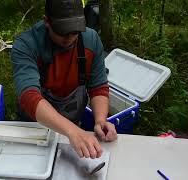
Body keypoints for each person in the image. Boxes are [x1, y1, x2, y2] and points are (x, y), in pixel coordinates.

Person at [11, 0, 117, 159]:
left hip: (73, 125)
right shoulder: (26, 45)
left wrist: (100, 120)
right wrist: (72, 131)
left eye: (74, 31)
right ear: (47, 21)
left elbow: (98, 87)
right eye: (62, 32)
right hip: (33, 128)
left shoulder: (91, 40)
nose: (69, 38)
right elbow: (29, 96)